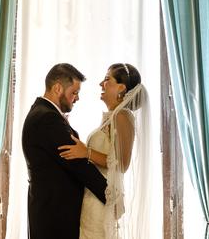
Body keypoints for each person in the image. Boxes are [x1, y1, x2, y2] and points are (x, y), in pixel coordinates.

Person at [58, 63, 149, 239]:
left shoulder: (122, 116)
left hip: (101, 200)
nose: (101, 83)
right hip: (92, 195)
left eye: (107, 79)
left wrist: (87, 153)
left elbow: (122, 163)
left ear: (121, 88)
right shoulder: (112, 117)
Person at [22, 63, 107, 239]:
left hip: (48, 210)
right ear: (58, 88)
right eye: (74, 92)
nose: (76, 98)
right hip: (55, 216)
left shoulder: (41, 111)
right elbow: (77, 164)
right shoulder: (48, 118)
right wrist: (110, 194)